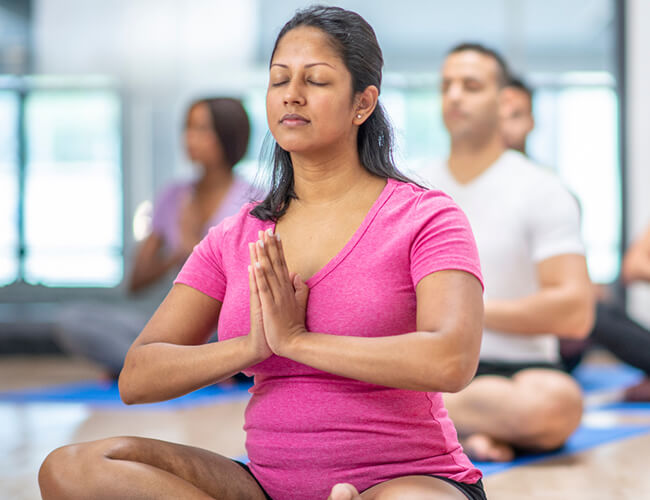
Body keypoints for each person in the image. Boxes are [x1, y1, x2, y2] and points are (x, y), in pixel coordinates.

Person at [39, 7, 488, 500]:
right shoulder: (234, 235)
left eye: (315, 80)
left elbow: (452, 360)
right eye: (279, 80)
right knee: (73, 467)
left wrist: (297, 341)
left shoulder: (426, 217)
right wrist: (251, 348)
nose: (292, 94)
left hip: (405, 479)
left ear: (363, 103)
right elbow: (137, 377)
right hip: (268, 485)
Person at [424, 43, 595, 462]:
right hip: (430, 368)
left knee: (558, 403)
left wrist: (470, 313)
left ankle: (438, 426)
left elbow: (575, 312)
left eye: (471, 85)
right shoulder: (412, 187)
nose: (455, 96)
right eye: (446, 85)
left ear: (506, 102)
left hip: (521, 373)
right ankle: (470, 431)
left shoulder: (541, 187)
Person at [53, 97, 256, 377]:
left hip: (219, 325)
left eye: (201, 129)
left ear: (228, 135)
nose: (189, 138)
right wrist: (180, 252)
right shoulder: (173, 196)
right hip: (168, 318)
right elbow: (136, 283)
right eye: (187, 128)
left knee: (238, 334)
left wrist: (197, 246)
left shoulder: (254, 200)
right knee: (73, 320)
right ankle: (170, 369)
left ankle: (155, 369)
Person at [501, 77, 650, 402]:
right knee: (590, 311)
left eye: (517, 115)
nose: (508, 126)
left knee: (597, 308)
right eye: (501, 114)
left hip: (561, 339)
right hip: (507, 334)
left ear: (531, 122)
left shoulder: (551, 191)